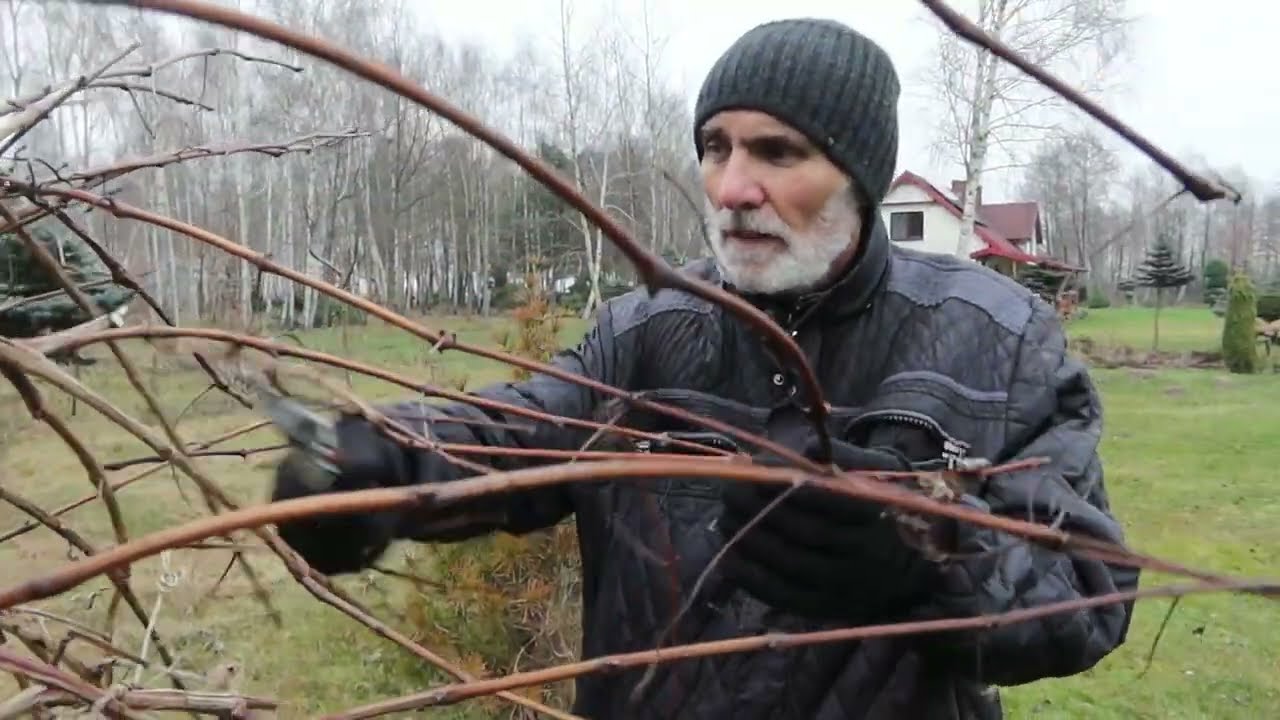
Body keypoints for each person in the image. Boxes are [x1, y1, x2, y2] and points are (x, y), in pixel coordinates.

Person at [270, 17, 1139, 719]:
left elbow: (1088, 594)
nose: (730, 187)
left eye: (777, 152)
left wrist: (923, 556)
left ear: (861, 174)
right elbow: (523, 432)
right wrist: (387, 468)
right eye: (716, 147)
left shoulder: (994, 335)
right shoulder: (649, 328)